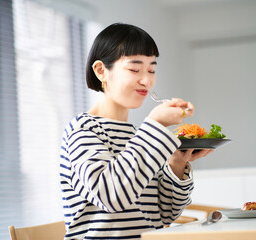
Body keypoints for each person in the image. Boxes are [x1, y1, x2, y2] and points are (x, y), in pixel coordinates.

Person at [59, 23, 213, 240]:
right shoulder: (83, 130)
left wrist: (176, 164)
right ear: (101, 71)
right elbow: (112, 197)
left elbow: (164, 214)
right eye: (134, 69)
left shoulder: (138, 136)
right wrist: (156, 124)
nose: (147, 80)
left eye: (151, 70)